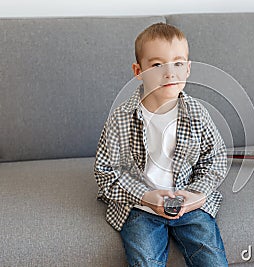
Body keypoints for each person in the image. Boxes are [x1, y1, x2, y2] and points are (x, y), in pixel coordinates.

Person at [94, 22, 228, 267]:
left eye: (178, 63)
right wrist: (145, 197)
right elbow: (106, 174)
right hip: (140, 207)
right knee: (145, 261)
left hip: (188, 202)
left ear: (187, 69)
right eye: (157, 64)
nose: (170, 73)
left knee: (212, 259)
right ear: (138, 70)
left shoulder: (197, 113)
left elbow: (216, 159)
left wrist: (196, 194)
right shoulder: (121, 118)